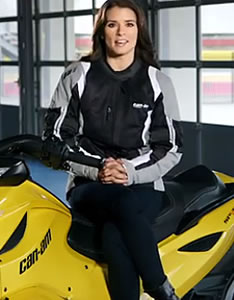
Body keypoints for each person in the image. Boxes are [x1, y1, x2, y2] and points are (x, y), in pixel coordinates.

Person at [42, 0, 183, 300]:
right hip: (89, 184)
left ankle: (157, 288)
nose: (121, 32)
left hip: (144, 185)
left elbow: (169, 146)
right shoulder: (77, 75)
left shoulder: (158, 82)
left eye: (129, 24)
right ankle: (160, 287)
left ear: (139, 31)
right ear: (101, 31)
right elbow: (56, 137)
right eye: (112, 24)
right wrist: (99, 169)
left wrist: (129, 172)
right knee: (121, 204)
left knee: (114, 234)